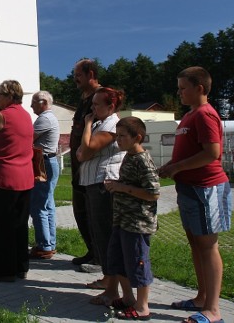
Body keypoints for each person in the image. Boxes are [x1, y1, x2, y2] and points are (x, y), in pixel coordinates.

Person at [159, 67, 231, 323]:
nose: (178, 93)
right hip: (189, 188)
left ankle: (213, 311)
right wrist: (171, 167)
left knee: (208, 246)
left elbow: (212, 152)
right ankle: (202, 298)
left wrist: (176, 167)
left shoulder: (205, 114)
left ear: (199, 88)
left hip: (206, 188)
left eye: (182, 88)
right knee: (196, 244)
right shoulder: (191, 115)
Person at [103, 117, 160, 320]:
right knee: (118, 259)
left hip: (137, 223)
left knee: (138, 262)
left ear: (138, 137)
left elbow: (153, 192)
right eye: (117, 136)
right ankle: (128, 298)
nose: (118, 140)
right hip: (122, 220)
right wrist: (116, 185)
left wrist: (122, 188)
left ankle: (142, 306)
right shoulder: (128, 155)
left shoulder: (142, 159)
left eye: (122, 136)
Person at [0, 80, 34, 282]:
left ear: (9, 96)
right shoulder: (26, 115)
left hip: (2, 178)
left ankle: (3, 271)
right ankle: (21, 267)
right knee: (19, 226)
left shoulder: (1, 116)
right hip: (25, 178)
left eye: (0, 94)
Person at [77, 87, 126, 305]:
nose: (93, 108)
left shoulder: (112, 125)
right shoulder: (100, 123)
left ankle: (112, 286)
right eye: (92, 104)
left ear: (111, 106)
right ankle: (108, 278)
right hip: (93, 182)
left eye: (97, 104)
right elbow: (80, 153)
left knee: (106, 234)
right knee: (99, 233)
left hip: (103, 183)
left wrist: (87, 124)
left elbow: (86, 151)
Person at [70, 58, 101, 266]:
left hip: (91, 164)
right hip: (77, 163)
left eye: (78, 75)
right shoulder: (83, 97)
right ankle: (92, 250)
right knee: (80, 209)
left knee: (93, 211)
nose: (75, 80)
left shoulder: (101, 97)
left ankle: (99, 256)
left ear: (91, 75)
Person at [29, 91, 61, 260]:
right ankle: (49, 243)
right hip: (48, 162)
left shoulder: (45, 119)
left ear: (43, 102)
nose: (31, 105)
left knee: (38, 205)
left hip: (44, 164)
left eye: (34, 102)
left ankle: (44, 245)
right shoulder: (48, 118)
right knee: (47, 204)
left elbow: (28, 138)